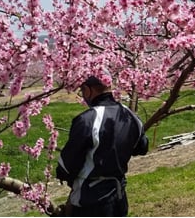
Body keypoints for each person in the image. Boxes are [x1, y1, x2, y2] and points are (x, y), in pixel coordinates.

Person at [56, 74, 149, 217]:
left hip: (90, 201)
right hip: (119, 197)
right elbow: (142, 147)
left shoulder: (88, 119)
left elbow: (67, 166)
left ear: (87, 90)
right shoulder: (130, 115)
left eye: (82, 91)